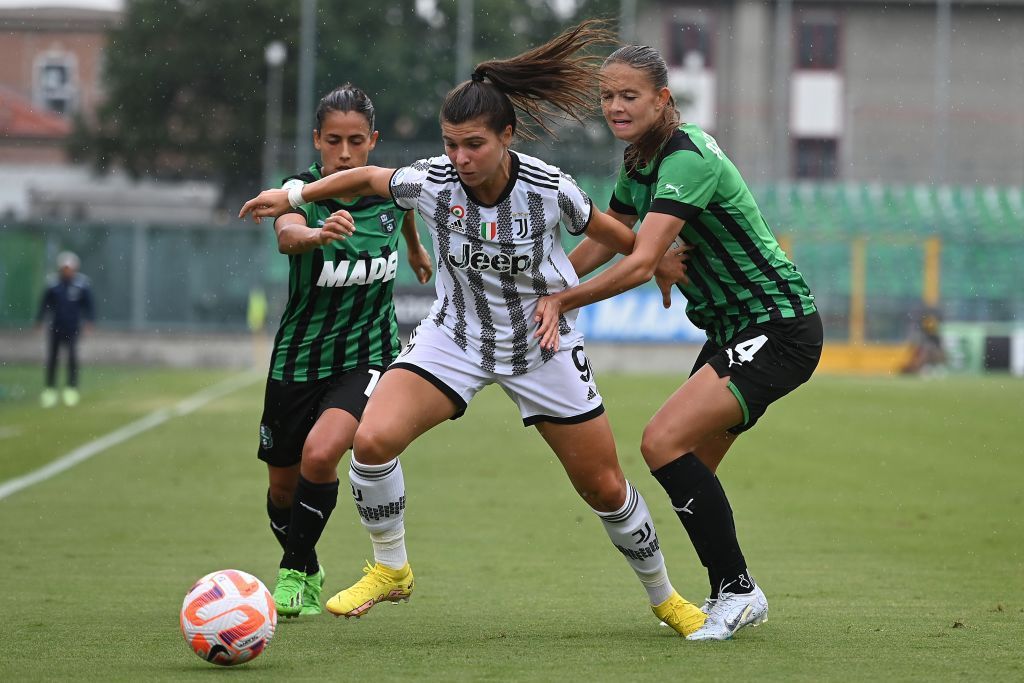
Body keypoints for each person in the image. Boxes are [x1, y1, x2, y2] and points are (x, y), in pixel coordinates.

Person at [240, 21, 708, 637]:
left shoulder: (547, 189)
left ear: (506, 137)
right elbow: (365, 179)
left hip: (541, 345)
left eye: (473, 145)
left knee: (605, 487)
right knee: (372, 440)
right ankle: (391, 569)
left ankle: (664, 595)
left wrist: (660, 258)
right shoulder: (433, 180)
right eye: (451, 143)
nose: (459, 158)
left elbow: (609, 230)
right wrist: (295, 194)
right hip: (454, 339)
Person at [534, 44, 823, 641]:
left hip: (777, 325)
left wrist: (562, 301)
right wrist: (539, 281)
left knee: (661, 442)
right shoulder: (640, 159)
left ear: (662, 98)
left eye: (629, 96)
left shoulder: (686, 158)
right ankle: (731, 593)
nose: (615, 106)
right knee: (689, 469)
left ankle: (739, 590)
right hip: (733, 330)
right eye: (608, 95)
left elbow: (639, 263)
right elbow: (613, 240)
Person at [256, 84, 433, 618]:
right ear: (317, 140)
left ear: (373, 141)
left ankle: (289, 573)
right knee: (282, 489)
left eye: (357, 140)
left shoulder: (389, 190)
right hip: (298, 357)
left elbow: (404, 215)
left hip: (368, 354)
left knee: (321, 452)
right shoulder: (302, 191)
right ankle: (308, 567)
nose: (346, 153)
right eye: (334, 141)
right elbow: (287, 234)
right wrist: (318, 235)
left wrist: (417, 248)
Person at [36, 251, 94, 408]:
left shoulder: (81, 284)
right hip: (56, 327)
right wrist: (40, 320)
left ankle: (71, 389)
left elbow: (88, 305)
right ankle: (50, 390)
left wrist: (89, 321)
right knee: (52, 359)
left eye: (70, 268)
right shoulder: (53, 284)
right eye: (65, 268)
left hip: (73, 327)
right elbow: (45, 304)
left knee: (72, 358)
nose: (67, 270)